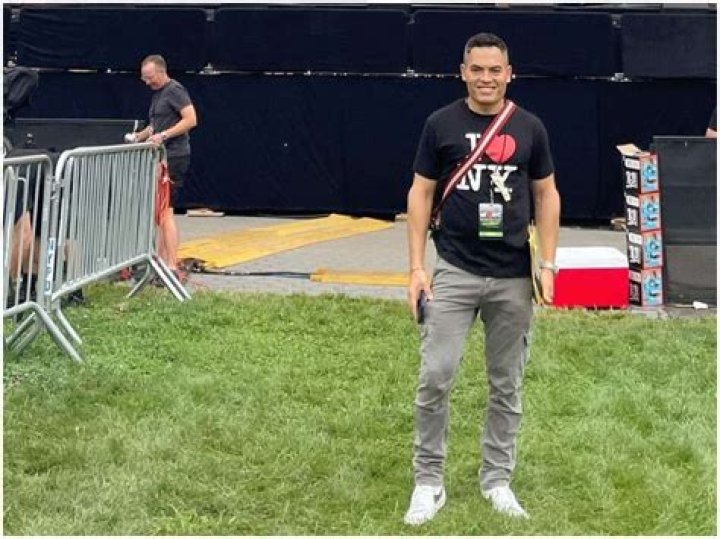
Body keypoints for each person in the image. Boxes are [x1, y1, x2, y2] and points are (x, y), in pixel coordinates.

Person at [403, 32, 561, 526]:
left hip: (513, 276)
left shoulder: (530, 127)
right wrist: (416, 268)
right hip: (454, 270)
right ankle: (428, 481)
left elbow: (547, 194)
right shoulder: (440, 124)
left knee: (506, 384)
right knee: (435, 376)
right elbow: (420, 193)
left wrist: (548, 263)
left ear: (509, 74)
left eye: (495, 70)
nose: (486, 78)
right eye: (477, 69)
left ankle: (497, 480)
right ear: (463, 72)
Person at [125, 54, 198, 281]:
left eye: (149, 77)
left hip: (173, 157)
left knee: (166, 212)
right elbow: (156, 125)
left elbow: (191, 119)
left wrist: (164, 135)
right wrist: (140, 136)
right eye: (143, 78)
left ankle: (171, 266)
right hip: (162, 157)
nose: (147, 82)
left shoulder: (175, 90)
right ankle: (162, 261)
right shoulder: (159, 94)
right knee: (161, 212)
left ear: (161, 71)